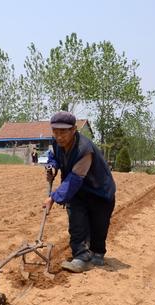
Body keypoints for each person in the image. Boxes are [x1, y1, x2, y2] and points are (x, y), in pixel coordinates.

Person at [42, 111, 117, 273]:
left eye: (63, 132)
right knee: (77, 223)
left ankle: (98, 253)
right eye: (55, 132)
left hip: (100, 192)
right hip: (78, 193)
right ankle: (81, 257)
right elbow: (53, 157)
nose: (59, 136)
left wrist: (53, 197)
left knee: (99, 225)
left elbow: (74, 179)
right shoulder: (56, 143)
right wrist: (52, 166)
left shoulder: (85, 149)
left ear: (74, 129)